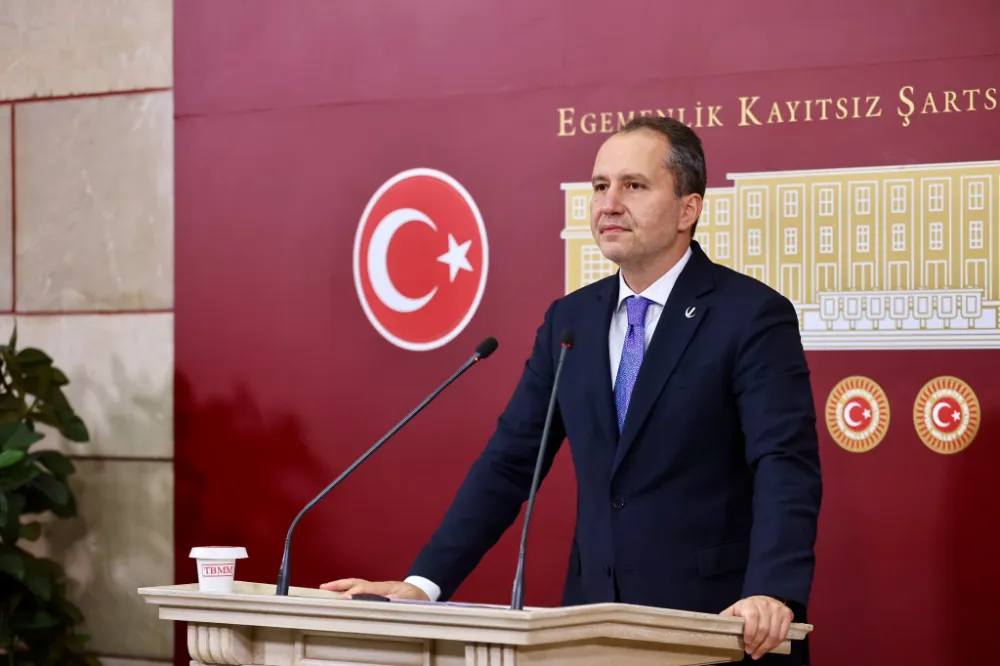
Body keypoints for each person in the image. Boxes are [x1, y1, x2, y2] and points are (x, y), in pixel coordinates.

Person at [322, 116, 822, 664]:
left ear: (688, 209)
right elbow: (510, 463)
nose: (609, 204)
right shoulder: (571, 320)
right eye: (600, 186)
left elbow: (783, 461)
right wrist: (424, 584)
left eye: (634, 185)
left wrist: (772, 590)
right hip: (591, 627)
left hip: (719, 626)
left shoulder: (750, 316)